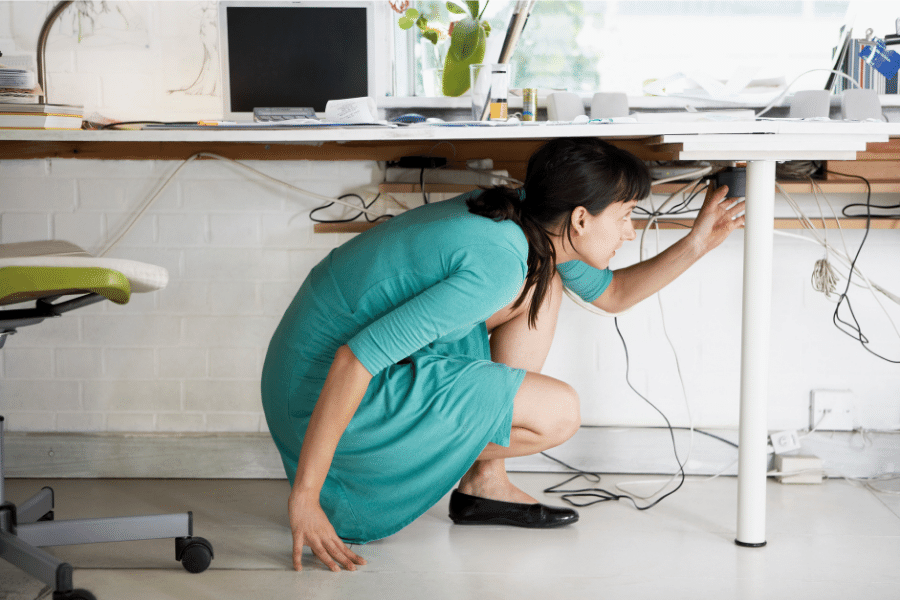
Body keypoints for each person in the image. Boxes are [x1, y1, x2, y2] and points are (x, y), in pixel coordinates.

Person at [260, 137, 744, 572]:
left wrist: (697, 243)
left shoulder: (520, 220)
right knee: (558, 415)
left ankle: (483, 485)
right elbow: (354, 359)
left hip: (310, 377)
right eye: (625, 216)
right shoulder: (498, 263)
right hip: (321, 397)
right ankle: (381, 469)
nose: (630, 232)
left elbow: (612, 293)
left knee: (546, 284)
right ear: (580, 219)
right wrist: (304, 498)